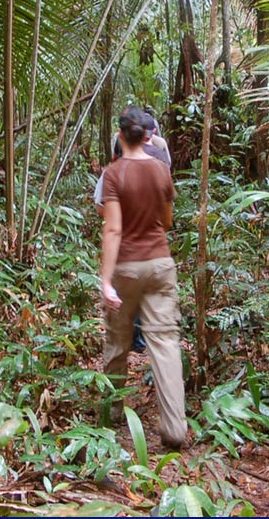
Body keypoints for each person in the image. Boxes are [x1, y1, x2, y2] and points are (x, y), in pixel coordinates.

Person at [99, 105, 187, 449]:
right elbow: (166, 221)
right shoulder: (161, 171)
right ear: (147, 136)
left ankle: (113, 414)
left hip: (127, 268)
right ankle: (175, 429)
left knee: (118, 341)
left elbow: (113, 229)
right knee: (165, 344)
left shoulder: (113, 174)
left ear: (121, 136)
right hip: (161, 265)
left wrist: (106, 280)